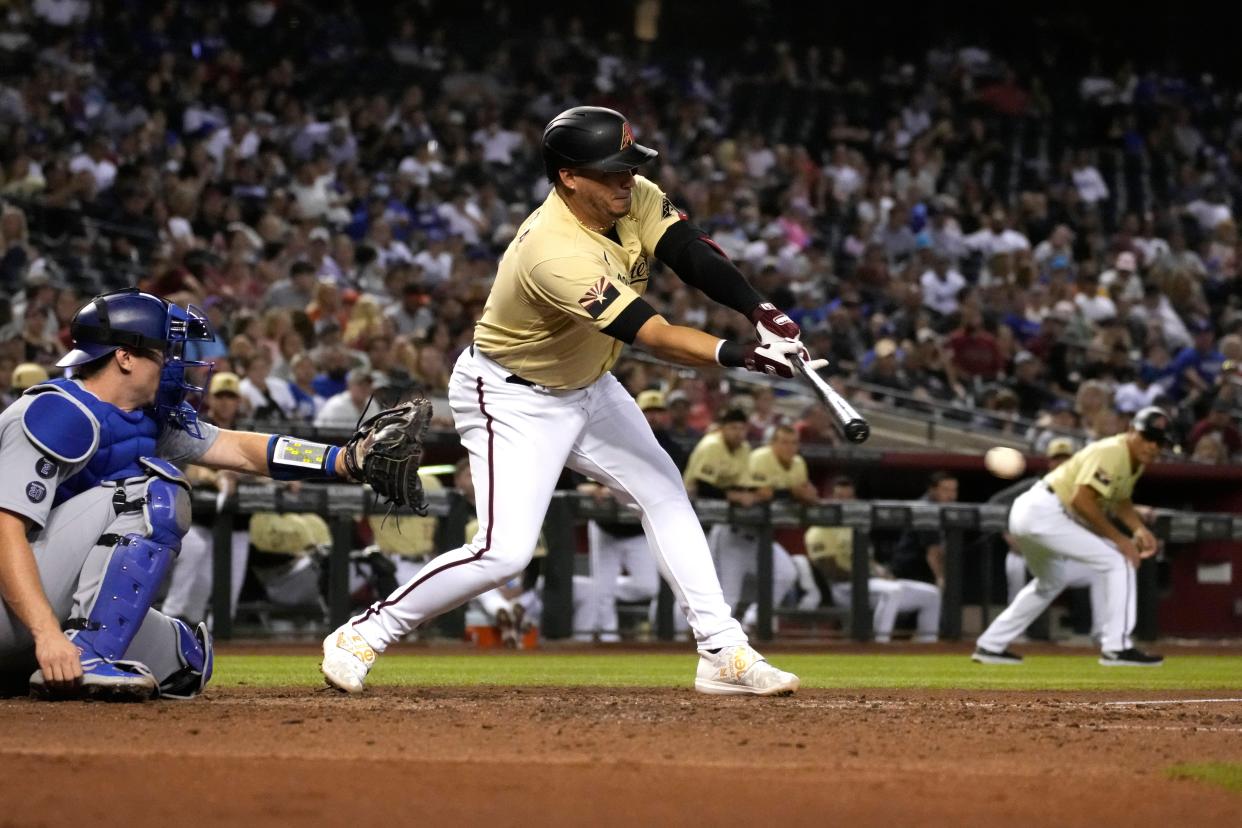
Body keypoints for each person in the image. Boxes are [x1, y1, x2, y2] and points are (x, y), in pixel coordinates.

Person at [322, 106, 822, 696]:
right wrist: (743, 357)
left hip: (590, 384)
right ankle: (362, 634)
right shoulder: (551, 250)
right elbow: (654, 334)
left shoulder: (626, 193)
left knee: (665, 493)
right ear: (569, 176)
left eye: (629, 167)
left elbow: (689, 250)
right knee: (503, 553)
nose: (626, 180)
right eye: (611, 171)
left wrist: (758, 309)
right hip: (511, 396)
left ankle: (722, 650)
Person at [0, 289, 366, 700]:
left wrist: (343, 460)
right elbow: (5, 531)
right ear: (124, 357)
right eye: (163, 351)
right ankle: (82, 658)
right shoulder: (54, 412)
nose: (174, 364)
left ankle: (42, 667)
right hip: (11, 607)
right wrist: (47, 634)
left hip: (40, 604)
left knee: (185, 662)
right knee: (154, 491)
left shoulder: (148, 420)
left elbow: (241, 450)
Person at [973, 407, 1168, 666]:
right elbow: (1082, 501)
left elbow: (1120, 499)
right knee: (1119, 560)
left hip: (1031, 511)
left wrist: (1138, 529)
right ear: (1132, 431)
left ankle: (990, 644)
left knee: (1050, 581)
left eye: (1158, 441)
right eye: (1146, 437)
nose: (1151, 445)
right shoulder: (1112, 451)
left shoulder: (1133, 462)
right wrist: (1121, 541)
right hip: (1046, 511)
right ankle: (1117, 646)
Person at [806, 476, 941, 643]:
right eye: (840, 497)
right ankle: (879, 644)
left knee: (931, 595)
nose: (845, 502)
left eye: (849, 498)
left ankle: (928, 646)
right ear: (830, 499)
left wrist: (882, 571)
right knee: (891, 592)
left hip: (870, 585)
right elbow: (830, 571)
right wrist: (870, 576)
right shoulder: (820, 529)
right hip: (843, 589)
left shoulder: (855, 526)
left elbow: (869, 561)